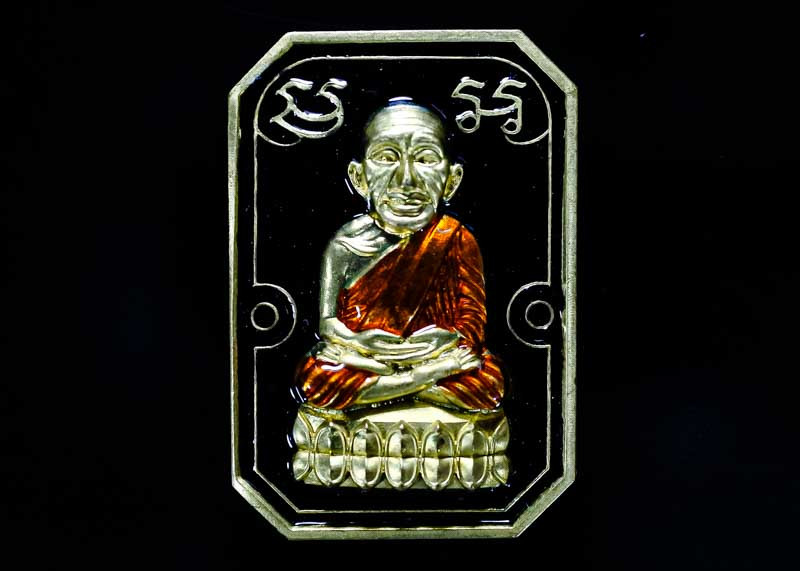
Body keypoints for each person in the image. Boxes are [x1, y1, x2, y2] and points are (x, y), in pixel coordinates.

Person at [295, 101, 504, 412]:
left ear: (451, 180)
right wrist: (359, 343)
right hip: (366, 357)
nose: (406, 180)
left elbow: (472, 324)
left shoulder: (455, 238)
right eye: (386, 157)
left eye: (425, 159)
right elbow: (328, 324)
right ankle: (421, 383)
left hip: (432, 355)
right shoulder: (346, 243)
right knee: (316, 375)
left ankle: (396, 386)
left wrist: (445, 339)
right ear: (359, 177)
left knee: (488, 379)